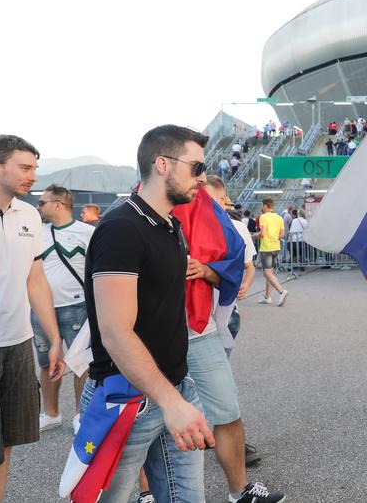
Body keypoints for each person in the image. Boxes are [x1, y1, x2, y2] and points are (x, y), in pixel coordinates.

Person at [82, 124, 215, 502]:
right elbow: (115, 333)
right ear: (162, 164)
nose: (203, 179)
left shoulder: (170, 224)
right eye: (196, 167)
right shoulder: (121, 229)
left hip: (176, 388)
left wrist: (176, 397)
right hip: (125, 399)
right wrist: (171, 402)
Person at [0, 135, 66, 502]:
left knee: (5, 442)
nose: (33, 175)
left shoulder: (30, 214)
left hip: (17, 344)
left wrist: (53, 337)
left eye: (35, 167)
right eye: (25, 167)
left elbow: (35, 278)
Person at [198, 177, 283, 502]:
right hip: (179, 328)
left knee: (224, 401)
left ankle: (239, 486)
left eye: (210, 198)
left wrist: (237, 283)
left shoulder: (234, 228)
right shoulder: (174, 223)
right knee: (167, 410)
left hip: (216, 323)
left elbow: (245, 267)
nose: (202, 202)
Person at [33, 184, 93, 432]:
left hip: (77, 306)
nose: (38, 207)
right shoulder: (37, 232)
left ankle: (81, 414)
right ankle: (51, 413)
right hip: (41, 309)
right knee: (46, 362)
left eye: (42, 203)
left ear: (58, 205)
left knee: (80, 362)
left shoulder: (87, 232)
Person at [255, 199, 288, 306]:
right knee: (269, 273)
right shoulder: (279, 218)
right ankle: (267, 297)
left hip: (266, 248)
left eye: (262, 205)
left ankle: (281, 291)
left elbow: (262, 233)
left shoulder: (263, 217)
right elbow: (282, 235)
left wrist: (253, 236)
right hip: (276, 247)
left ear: (265, 206)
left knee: (267, 273)